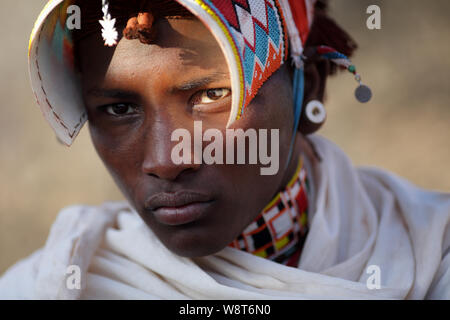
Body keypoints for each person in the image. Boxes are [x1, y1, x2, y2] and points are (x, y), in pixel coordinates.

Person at [0, 0, 449, 299]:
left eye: (212, 96)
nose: (166, 160)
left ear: (307, 89)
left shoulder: (433, 256)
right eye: (118, 108)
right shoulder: (57, 284)